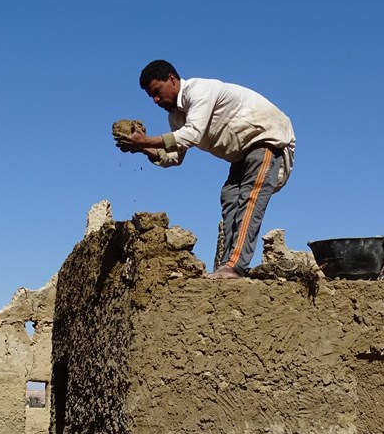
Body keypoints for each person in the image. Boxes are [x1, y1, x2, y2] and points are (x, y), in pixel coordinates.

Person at [116, 60, 295, 278]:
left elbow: (193, 134)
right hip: (240, 154)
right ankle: (226, 265)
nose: (155, 100)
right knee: (230, 196)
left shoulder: (199, 91)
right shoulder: (175, 116)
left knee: (250, 198)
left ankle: (236, 266)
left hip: (265, 138)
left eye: (157, 92)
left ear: (171, 79)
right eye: (151, 96)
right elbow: (175, 157)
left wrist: (147, 141)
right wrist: (143, 148)